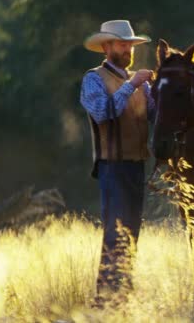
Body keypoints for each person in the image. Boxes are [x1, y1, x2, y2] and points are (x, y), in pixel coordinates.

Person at [80, 20, 154, 303]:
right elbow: (102, 112)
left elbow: (153, 115)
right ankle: (107, 299)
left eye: (129, 45)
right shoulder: (93, 78)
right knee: (116, 232)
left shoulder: (137, 81)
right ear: (106, 47)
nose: (127, 49)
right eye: (122, 44)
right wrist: (133, 85)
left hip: (136, 166)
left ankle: (122, 295)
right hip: (112, 166)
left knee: (131, 233)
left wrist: (164, 91)